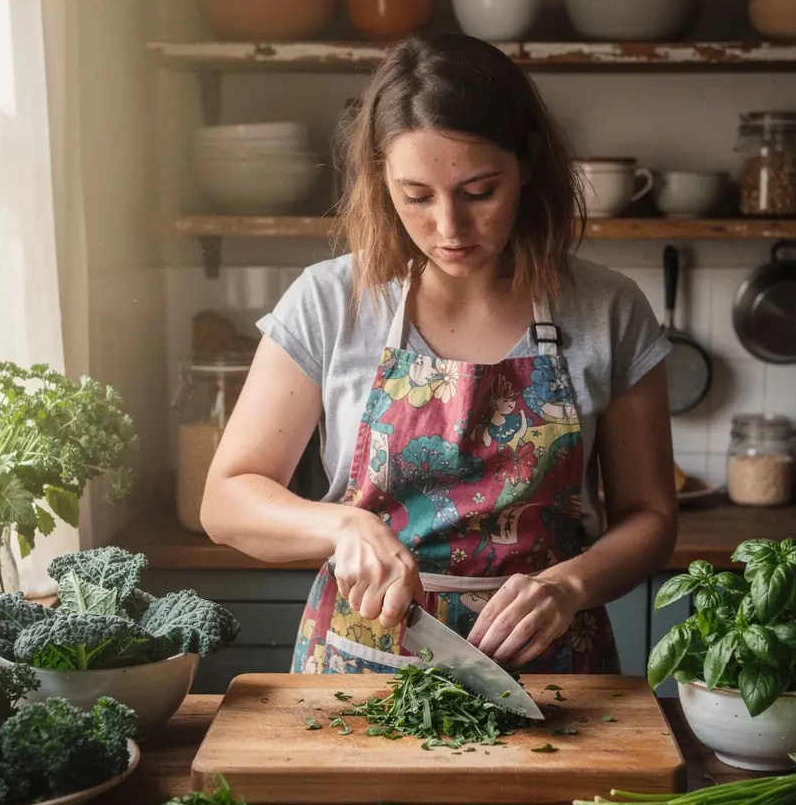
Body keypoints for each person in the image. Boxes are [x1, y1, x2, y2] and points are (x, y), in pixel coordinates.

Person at [201, 33, 678, 676]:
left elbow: (650, 516)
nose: (449, 228)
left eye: (480, 191)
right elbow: (227, 500)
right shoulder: (329, 301)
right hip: (363, 665)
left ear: (528, 163)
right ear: (381, 180)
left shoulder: (608, 310)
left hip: (549, 669)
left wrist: (570, 586)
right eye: (417, 197)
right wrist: (343, 528)